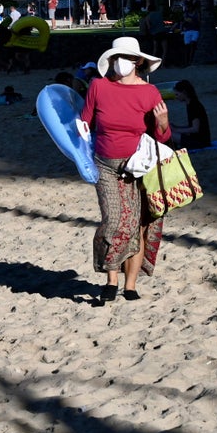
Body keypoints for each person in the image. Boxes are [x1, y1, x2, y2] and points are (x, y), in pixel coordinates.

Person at [80, 36, 170, 304]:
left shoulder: (150, 93)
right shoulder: (98, 86)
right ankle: (111, 278)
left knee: (138, 226)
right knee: (114, 221)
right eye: (117, 57)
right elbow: (85, 123)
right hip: (105, 164)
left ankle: (130, 285)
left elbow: (162, 138)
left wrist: (163, 122)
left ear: (138, 62)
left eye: (128, 58)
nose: (122, 63)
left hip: (139, 168)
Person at [171, 79, 210, 149]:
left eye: (177, 94)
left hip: (201, 142)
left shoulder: (194, 106)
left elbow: (195, 129)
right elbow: (192, 126)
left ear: (183, 92)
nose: (176, 97)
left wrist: (176, 130)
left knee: (171, 135)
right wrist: (176, 127)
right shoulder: (191, 103)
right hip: (198, 139)